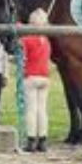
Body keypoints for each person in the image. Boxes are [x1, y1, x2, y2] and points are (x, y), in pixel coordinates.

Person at [20, 8, 51, 152]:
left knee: (31, 110)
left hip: (31, 76)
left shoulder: (26, 40)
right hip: (45, 76)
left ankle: (31, 140)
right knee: (42, 110)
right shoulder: (46, 41)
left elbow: (22, 57)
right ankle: (43, 140)